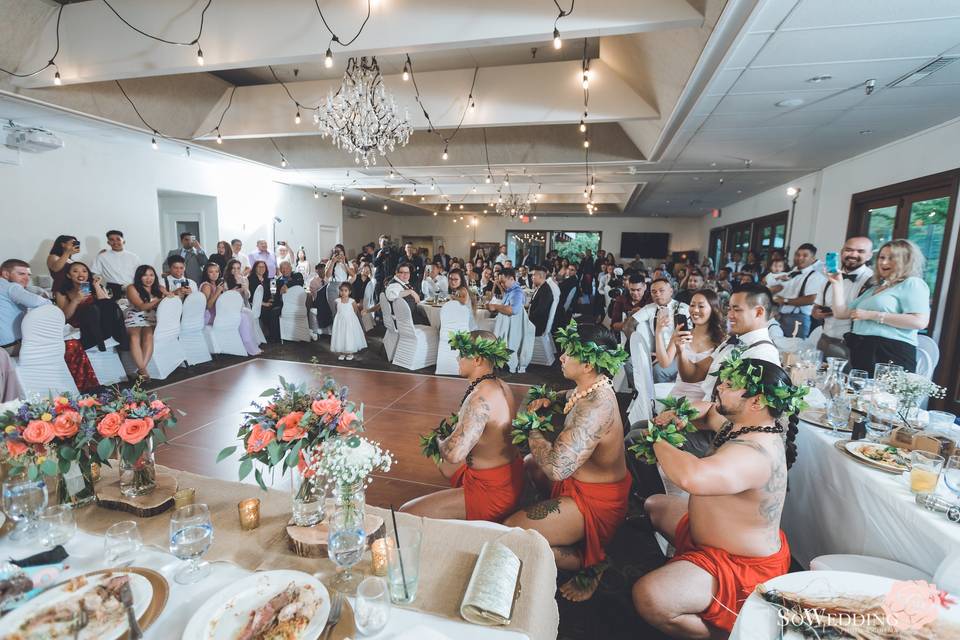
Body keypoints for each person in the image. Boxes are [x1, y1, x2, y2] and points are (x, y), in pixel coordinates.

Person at [633, 359, 801, 637]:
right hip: (710, 539)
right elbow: (708, 411)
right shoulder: (743, 423)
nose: (720, 386)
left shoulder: (756, 454)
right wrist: (680, 414)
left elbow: (692, 477)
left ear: (756, 402)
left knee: (649, 597)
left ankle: (719, 634)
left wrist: (657, 437)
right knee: (654, 504)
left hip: (739, 567)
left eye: (730, 385)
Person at [504, 322, 631, 602]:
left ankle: (592, 562)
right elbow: (570, 398)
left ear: (587, 364)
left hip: (596, 501)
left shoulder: (596, 407)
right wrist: (550, 399)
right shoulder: (590, 386)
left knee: (514, 532)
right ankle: (561, 524)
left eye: (568, 353)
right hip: (580, 482)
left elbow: (557, 468)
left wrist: (532, 427)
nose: (561, 357)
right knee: (529, 463)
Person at [402, 331, 522, 521]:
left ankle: (482, 515)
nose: (458, 358)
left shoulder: (479, 398)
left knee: (405, 513)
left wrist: (440, 440)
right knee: (442, 463)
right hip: (511, 475)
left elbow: (453, 454)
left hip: (492, 491)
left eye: (462, 354)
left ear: (477, 359)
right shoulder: (501, 385)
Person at [828, 239, 930, 373]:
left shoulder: (912, 283)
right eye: (881, 257)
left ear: (906, 260)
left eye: (891, 258)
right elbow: (841, 313)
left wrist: (872, 315)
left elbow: (919, 322)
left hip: (889, 351)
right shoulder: (877, 287)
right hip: (863, 348)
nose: (883, 262)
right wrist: (837, 284)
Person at [655, 289, 725, 401]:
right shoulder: (682, 334)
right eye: (692, 305)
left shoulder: (721, 342)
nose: (695, 310)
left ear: (713, 310)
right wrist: (658, 332)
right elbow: (664, 362)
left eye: (701, 306)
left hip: (704, 400)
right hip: (678, 395)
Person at [812, 236, 874, 359]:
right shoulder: (829, 277)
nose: (853, 254)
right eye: (849, 250)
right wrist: (816, 313)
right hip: (824, 339)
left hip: (852, 344)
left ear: (869, 255)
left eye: (860, 251)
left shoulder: (872, 281)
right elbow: (815, 308)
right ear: (841, 252)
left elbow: (869, 314)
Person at [54, 262, 127, 352]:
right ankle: (102, 338)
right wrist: (76, 300)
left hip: (101, 324)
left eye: (84, 271)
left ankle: (119, 338)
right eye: (75, 271)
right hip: (80, 324)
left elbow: (107, 305)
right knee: (92, 310)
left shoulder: (95, 287)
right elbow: (65, 317)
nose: (81, 274)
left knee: (110, 304)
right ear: (69, 275)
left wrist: (96, 286)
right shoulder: (62, 292)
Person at [632, 278, 690, 383]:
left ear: (671, 291)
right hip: (658, 352)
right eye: (654, 292)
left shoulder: (683, 308)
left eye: (661, 290)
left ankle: (661, 397)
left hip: (681, 354)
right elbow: (629, 325)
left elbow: (687, 339)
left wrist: (664, 357)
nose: (657, 294)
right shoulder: (649, 308)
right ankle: (641, 393)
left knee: (659, 370)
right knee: (630, 363)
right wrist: (644, 350)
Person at [200, 261, 260, 356]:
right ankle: (250, 347)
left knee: (244, 315)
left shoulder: (218, 284)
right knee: (243, 316)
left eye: (216, 271)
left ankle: (250, 345)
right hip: (210, 316)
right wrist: (218, 292)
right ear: (206, 273)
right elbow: (207, 306)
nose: (214, 274)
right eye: (211, 272)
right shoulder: (206, 286)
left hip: (219, 314)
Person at [125, 265, 169, 379]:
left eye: (151, 275)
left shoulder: (159, 288)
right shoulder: (132, 288)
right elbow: (141, 307)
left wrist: (171, 293)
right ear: (139, 277)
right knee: (134, 337)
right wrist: (160, 299)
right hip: (134, 316)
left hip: (151, 318)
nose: (149, 278)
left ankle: (141, 369)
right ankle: (143, 370)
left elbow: (170, 298)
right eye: (145, 275)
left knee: (149, 335)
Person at [1, 259, 52, 354]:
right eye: (21, 274)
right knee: (63, 344)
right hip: (8, 347)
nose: (27, 278)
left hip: (4, 346)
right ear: (6, 274)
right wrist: (48, 300)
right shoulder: (11, 287)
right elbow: (40, 303)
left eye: (28, 274)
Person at [774, 243, 825, 339]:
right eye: (797, 255)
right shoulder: (789, 274)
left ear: (813, 259)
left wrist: (785, 301)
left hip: (798, 318)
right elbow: (778, 289)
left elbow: (811, 299)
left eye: (805, 255)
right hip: (779, 316)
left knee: (793, 349)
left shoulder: (816, 276)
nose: (800, 258)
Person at [92, 230, 140, 298]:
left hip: (132, 288)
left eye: (118, 239)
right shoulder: (102, 257)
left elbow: (140, 275)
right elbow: (93, 273)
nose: (115, 242)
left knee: (134, 308)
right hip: (112, 289)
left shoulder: (134, 257)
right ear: (108, 242)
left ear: (123, 241)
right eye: (111, 240)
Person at [330, 282, 367, 360]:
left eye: (345, 290)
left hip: (350, 321)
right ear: (339, 291)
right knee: (341, 336)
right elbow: (336, 310)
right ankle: (342, 352)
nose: (343, 292)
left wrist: (351, 319)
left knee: (349, 336)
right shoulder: (337, 301)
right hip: (340, 321)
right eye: (341, 290)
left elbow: (355, 311)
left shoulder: (352, 301)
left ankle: (349, 352)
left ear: (349, 292)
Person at [528, 265, 555, 336]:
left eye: (533, 275)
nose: (531, 277)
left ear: (540, 276)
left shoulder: (546, 291)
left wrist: (526, 319)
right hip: (533, 322)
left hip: (536, 326)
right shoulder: (541, 287)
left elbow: (539, 312)